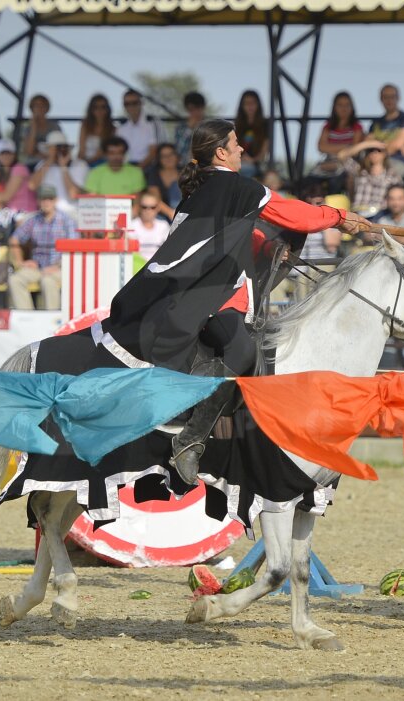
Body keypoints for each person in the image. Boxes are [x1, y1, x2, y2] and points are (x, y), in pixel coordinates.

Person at [100, 118, 371, 484]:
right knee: (243, 353)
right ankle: (190, 439)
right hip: (212, 299)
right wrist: (339, 217)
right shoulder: (235, 187)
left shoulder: (206, 191)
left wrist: (274, 245)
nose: (243, 148)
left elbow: (236, 240)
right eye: (235, 143)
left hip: (192, 295)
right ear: (221, 152)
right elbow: (291, 213)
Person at [8, 185, 78, 310]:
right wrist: (20, 262)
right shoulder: (33, 220)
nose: (46, 202)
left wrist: (57, 266)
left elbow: (74, 248)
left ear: (55, 200)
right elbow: (14, 239)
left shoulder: (67, 221)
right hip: (38, 267)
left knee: (48, 282)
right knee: (15, 280)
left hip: (61, 267)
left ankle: (51, 321)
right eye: (43, 199)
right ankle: (28, 318)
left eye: (49, 199)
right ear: (38, 201)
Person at [28, 131, 88, 219]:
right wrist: (50, 159)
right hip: (47, 213)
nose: (58, 151)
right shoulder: (42, 165)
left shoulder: (80, 165)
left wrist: (63, 167)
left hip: (72, 213)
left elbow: (73, 194)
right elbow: (32, 186)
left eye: (61, 148)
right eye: (54, 149)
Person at [368, 84, 404, 179]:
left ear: (398, 98)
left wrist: (379, 146)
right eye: (385, 97)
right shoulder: (375, 123)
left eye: (392, 97)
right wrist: (394, 145)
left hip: (399, 162)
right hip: (374, 163)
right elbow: (367, 144)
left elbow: (396, 145)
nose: (389, 100)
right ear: (381, 99)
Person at [344, 143, 402, 217]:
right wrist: (367, 144)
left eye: (379, 150)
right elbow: (343, 156)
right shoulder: (360, 170)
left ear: (384, 154)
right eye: (370, 150)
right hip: (357, 214)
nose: (374, 153)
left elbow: (399, 196)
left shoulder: (392, 175)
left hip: (378, 215)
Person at [117, 89, 163, 169]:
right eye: (127, 104)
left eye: (134, 103)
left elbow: (154, 152)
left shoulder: (152, 123)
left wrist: (137, 170)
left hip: (149, 167)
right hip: (126, 168)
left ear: (141, 103)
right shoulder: (121, 128)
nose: (131, 106)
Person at [0, 137, 37, 214]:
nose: (6, 156)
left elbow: (6, 196)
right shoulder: (1, 173)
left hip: (24, 213)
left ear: (14, 155)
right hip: (11, 213)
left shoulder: (19, 168)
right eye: (2, 153)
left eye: (8, 153)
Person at [15, 93, 61, 167]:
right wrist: (33, 128)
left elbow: (59, 149)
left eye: (43, 105)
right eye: (36, 106)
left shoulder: (55, 126)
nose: (39, 108)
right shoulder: (28, 128)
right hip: (32, 164)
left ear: (47, 108)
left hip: (52, 164)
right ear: (32, 109)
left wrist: (47, 157)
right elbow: (28, 151)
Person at [234, 90, 270, 178]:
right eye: (246, 103)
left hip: (256, 166)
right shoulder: (237, 125)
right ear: (242, 106)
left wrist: (253, 160)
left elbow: (264, 152)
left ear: (258, 105)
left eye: (253, 103)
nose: (250, 106)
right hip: (238, 163)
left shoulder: (265, 125)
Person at [318, 91, 364, 158]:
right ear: (334, 107)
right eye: (340, 105)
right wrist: (346, 146)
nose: (344, 108)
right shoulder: (328, 126)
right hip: (329, 161)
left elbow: (354, 149)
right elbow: (321, 147)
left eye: (347, 105)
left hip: (350, 162)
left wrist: (330, 147)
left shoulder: (357, 127)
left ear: (352, 108)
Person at [128, 192, 171, 259]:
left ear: (158, 208)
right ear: (139, 207)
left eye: (153, 207)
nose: (148, 210)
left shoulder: (163, 226)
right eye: (144, 207)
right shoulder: (131, 226)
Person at [146, 143, 183, 221]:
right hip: (161, 214)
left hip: (182, 213)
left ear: (177, 156)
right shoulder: (154, 174)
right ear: (159, 159)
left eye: (171, 154)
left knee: (175, 186)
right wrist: (171, 213)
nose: (168, 158)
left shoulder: (185, 171)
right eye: (164, 156)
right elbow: (156, 199)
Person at [78, 93, 115, 166]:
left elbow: (102, 153)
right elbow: (81, 150)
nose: (99, 110)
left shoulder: (112, 129)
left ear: (107, 109)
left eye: (103, 107)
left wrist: (89, 162)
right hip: (85, 161)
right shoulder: (85, 125)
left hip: (102, 163)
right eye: (96, 107)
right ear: (91, 110)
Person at [174, 91, 207, 165]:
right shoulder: (181, 128)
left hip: (205, 167)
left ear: (203, 108)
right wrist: (189, 129)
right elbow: (178, 151)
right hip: (185, 166)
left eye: (198, 108)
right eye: (191, 109)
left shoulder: (210, 126)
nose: (195, 112)